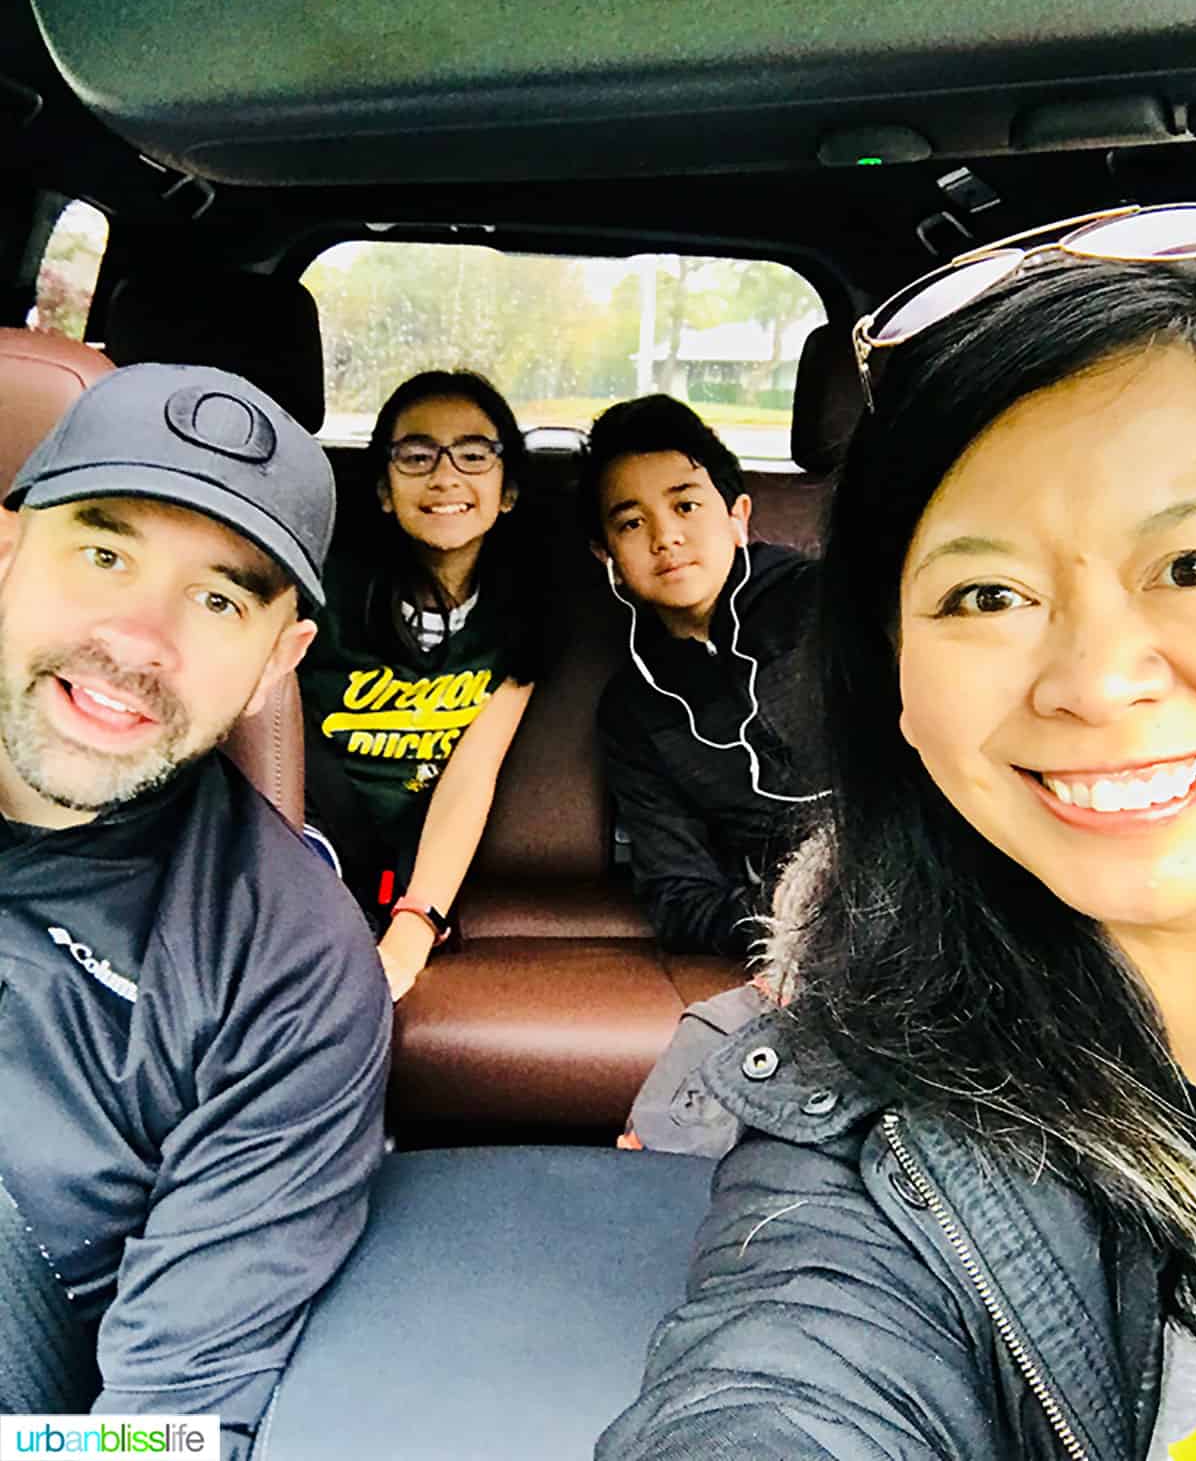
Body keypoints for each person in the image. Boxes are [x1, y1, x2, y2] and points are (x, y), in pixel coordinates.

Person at [597, 205, 1196, 1460]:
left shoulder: (810, 605)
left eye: (1192, 567)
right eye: (987, 595)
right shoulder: (867, 1135)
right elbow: (786, 1372)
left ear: (741, 506)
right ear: (901, 682)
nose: (1097, 682)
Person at [0, 363, 390, 1457]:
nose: (138, 639)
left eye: (218, 598)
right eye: (105, 552)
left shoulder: (288, 967)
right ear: (7, 550)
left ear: (278, 661)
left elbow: (167, 1430)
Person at [299, 370, 553, 1001]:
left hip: (423, 863)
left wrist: (415, 923)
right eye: (417, 456)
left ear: (508, 489)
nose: (445, 477)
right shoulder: (322, 589)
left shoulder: (528, 607)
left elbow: (472, 773)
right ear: (384, 489)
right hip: (309, 843)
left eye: (473, 455)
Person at [580, 394, 827, 958]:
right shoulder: (635, 709)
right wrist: (795, 919)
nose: (665, 537)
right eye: (632, 521)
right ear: (606, 555)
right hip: (784, 928)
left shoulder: (833, 612)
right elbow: (680, 896)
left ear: (737, 516)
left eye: (686, 506)